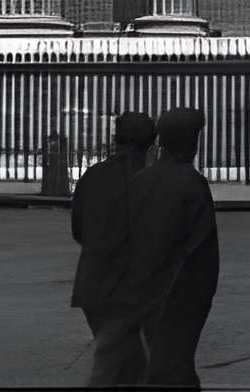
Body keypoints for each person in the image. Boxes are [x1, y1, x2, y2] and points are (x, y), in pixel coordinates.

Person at [113, 107, 221, 389]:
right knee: (175, 371)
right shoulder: (193, 183)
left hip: (144, 294)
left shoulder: (139, 181)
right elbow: (203, 252)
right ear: (189, 141)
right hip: (180, 297)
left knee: (164, 366)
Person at [71, 111, 158, 386]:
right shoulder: (148, 180)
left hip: (92, 284)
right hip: (125, 290)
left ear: (114, 140)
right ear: (151, 145)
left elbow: (79, 230)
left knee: (131, 366)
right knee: (110, 366)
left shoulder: (93, 176)